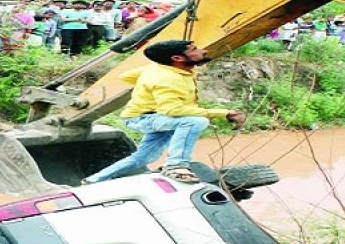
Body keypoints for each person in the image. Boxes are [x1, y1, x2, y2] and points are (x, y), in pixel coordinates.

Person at [82, 40, 245, 184]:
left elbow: (126, 76)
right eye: (194, 49)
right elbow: (172, 110)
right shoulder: (167, 78)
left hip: (156, 117)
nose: (204, 51)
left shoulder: (160, 68)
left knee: (144, 158)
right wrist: (225, 112)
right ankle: (176, 165)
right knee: (195, 121)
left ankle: (93, 180)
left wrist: (147, 86)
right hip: (143, 118)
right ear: (177, 59)